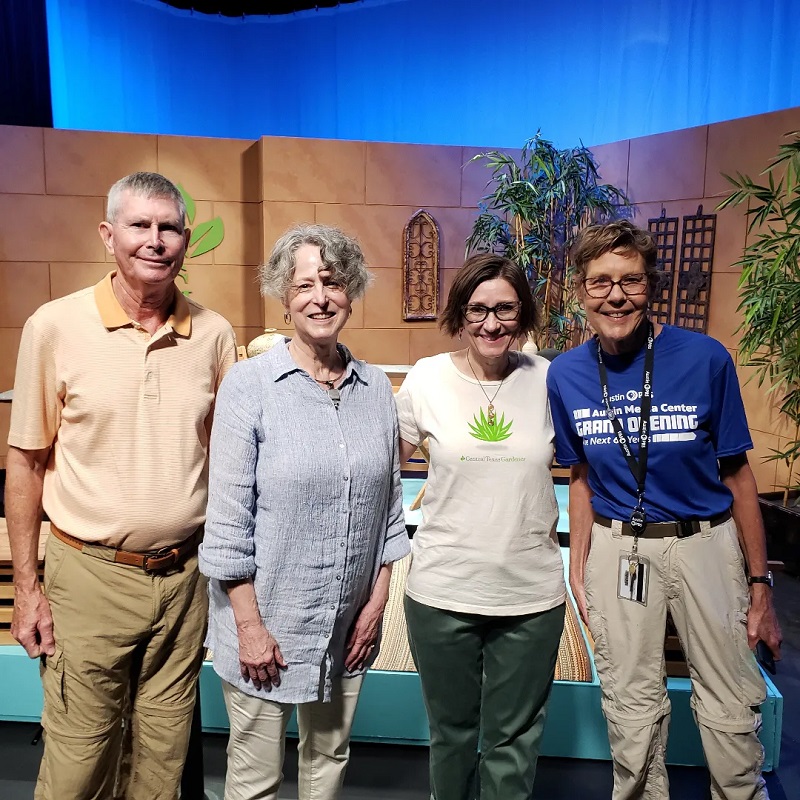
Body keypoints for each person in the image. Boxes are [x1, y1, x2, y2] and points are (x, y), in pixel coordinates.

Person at [5, 171, 237, 799]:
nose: (155, 240)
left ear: (186, 239)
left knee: (162, 765)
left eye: (169, 227)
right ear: (109, 235)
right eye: (140, 225)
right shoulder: (53, 326)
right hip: (89, 578)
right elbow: (25, 464)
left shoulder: (214, 335)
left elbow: (223, 462)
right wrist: (28, 591)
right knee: (80, 762)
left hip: (184, 579)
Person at [546, 220, 783, 800]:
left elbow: (738, 474)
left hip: (705, 542)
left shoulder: (704, 358)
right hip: (619, 548)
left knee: (729, 699)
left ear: (651, 286)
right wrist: (580, 566)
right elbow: (580, 476)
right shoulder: (566, 374)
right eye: (600, 282)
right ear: (581, 291)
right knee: (629, 703)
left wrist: (760, 583)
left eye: (630, 280)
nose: (616, 296)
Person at [199, 223, 410, 800]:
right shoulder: (250, 386)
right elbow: (227, 519)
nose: (320, 297)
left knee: (329, 758)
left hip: (347, 624)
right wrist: (248, 627)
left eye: (334, 283)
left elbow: (389, 508)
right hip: (265, 623)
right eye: (304, 286)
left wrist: (375, 605)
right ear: (284, 296)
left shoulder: (374, 389)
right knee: (256, 777)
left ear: (353, 291)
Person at [395, 254, 567, 800]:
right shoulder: (427, 378)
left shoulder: (550, 380)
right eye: (478, 310)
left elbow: (591, 467)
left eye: (505, 309)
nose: (492, 323)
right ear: (460, 313)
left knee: (513, 742)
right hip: (443, 590)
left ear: (524, 313)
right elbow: (380, 468)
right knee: (451, 735)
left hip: (530, 594)